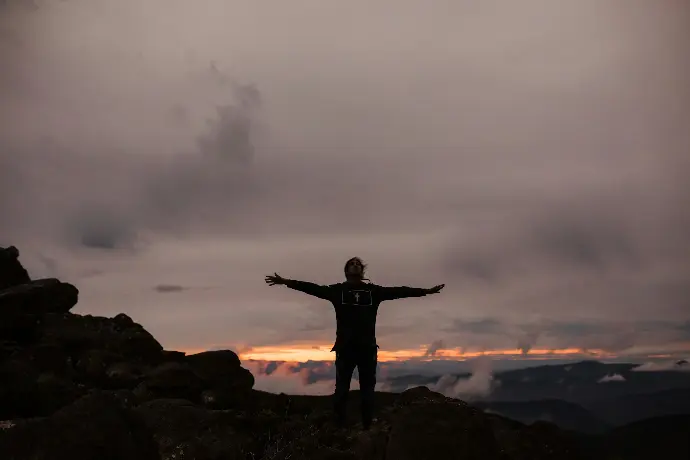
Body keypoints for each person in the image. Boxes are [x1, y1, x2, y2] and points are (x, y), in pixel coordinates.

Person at [265, 257, 444, 430]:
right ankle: (339, 426)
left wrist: (425, 291)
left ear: (362, 270)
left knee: (367, 390)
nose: (356, 265)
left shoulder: (374, 291)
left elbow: (399, 291)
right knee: (342, 389)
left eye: (358, 263)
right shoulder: (337, 291)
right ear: (346, 270)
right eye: (352, 263)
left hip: (367, 349)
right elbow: (313, 288)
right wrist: (286, 281)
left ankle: (367, 426)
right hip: (345, 348)